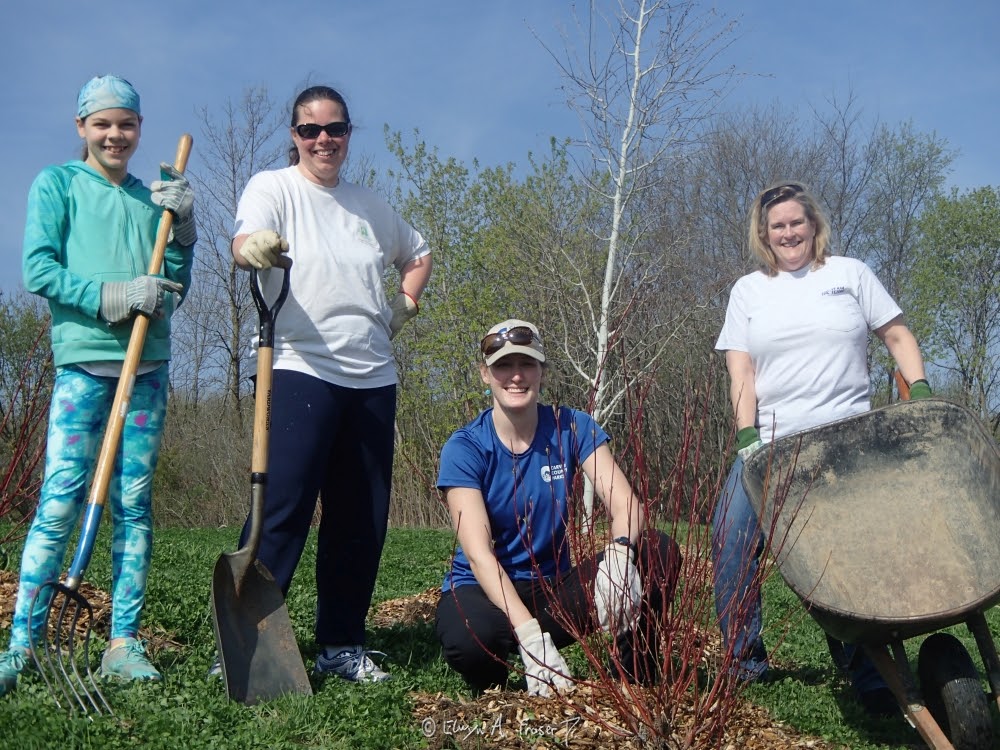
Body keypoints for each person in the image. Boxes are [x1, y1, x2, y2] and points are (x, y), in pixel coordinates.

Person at [225, 85, 431, 684]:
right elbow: (244, 242)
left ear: (348, 134)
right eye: (311, 130)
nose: (324, 140)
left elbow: (417, 254)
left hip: (372, 377)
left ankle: (340, 643)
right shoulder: (275, 188)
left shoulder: (370, 205)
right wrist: (252, 249)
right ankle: (242, 642)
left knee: (360, 517)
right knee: (283, 505)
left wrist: (401, 307)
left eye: (335, 130)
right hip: (298, 366)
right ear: (294, 135)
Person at [0, 74, 197, 696]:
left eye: (128, 124)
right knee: (59, 500)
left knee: (133, 507)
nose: (116, 134)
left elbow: (173, 284)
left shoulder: (151, 198)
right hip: (85, 365)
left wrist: (183, 232)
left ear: (140, 129)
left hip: (147, 371)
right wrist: (113, 295)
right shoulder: (58, 184)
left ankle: (122, 641)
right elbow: (39, 268)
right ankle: (22, 644)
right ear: (82, 127)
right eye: (104, 123)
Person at [712, 181, 932, 716]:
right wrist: (747, 436)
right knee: (730, 540)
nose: (788, 233)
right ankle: (745, 666)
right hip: (771, 447)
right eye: (777, 226)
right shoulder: (749, 290)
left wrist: (919, 391)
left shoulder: (849, 274)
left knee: (840, 560)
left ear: (814, 226)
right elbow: (740, 367)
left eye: (796, 222)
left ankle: (869, 673)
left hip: (846, 442)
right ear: (763, 235)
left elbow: (898, 335)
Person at [434, 319, 682, 696]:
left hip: (552, 591)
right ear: (485, 374)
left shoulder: (572, 426)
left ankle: (636, 678)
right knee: (471, 639)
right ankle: (498, 689)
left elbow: (626, 503)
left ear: (542, 372)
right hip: (485, 591)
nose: (516, 376)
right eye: (503, 366)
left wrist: (620, 553)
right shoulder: (465, 447)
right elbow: (479, 554)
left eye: (527, 364)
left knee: (656, 551)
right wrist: (529, 635)